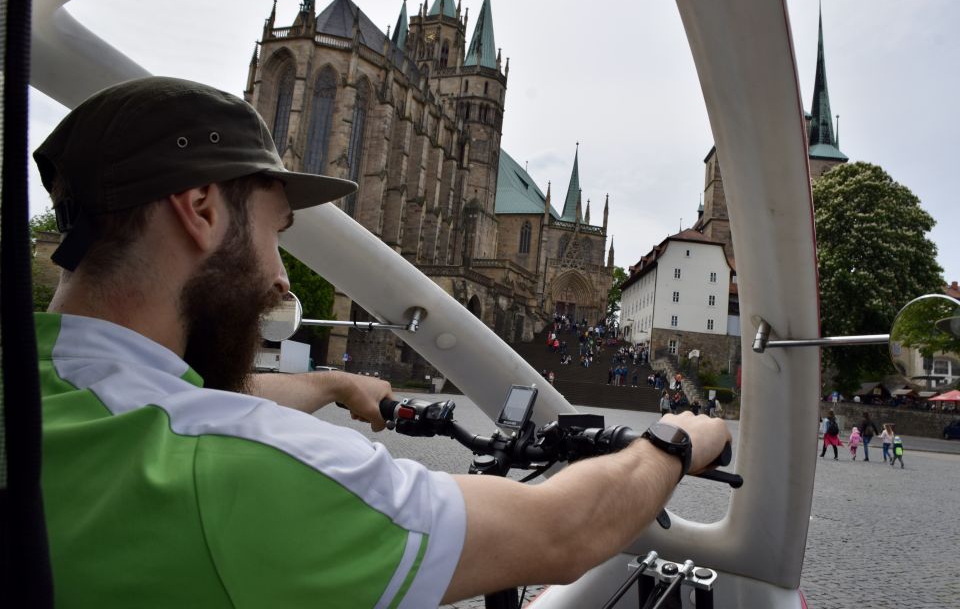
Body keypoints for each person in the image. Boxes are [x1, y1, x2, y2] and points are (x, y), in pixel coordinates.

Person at [35, 77, 731, 607]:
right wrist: (672, 442)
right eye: (276, 232)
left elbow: (186, 397)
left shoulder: (48, 385)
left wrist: (334, 383)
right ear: (202, 211)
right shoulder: (239, 474)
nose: (280, 277)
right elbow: (560, 532)